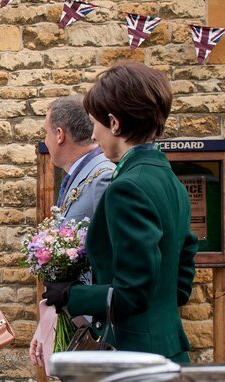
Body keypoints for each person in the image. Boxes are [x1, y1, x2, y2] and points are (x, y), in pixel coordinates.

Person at [43, 62, 198, 363]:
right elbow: (181, 282)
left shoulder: (127, 187)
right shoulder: (170, 180)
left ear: (114, 124)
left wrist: (70, 295)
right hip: (167, 347)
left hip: (136, 357)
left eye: (95, 123)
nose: (94, 134)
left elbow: (131, 293)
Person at [29, 96, 114, 369]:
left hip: (97, 326)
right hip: (73, 316)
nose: (46, 139)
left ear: (59, 134)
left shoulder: (102, 177)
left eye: (45, 132)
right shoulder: (77, 175)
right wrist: (47, 326)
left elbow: (110, 259)